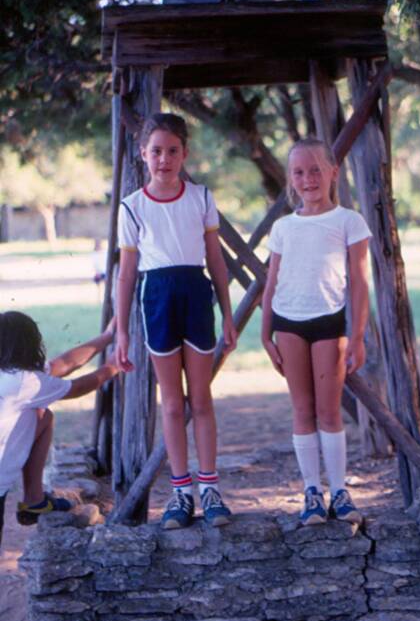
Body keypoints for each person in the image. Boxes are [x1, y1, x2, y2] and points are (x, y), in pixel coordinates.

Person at [116, 112, 237, 530]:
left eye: (172, 151)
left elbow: (216, 260)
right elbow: (127, 273)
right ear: (143, 155)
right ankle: (180, 493)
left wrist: (228, 312)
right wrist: (121, 332)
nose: (164, 159)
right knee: (171, 402)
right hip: (158, 299)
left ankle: (210, 489)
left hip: (196, 295)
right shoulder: (131, 208)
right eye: (156, 152)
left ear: (184, 154)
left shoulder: (201, 197)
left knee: (200, 399)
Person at [261, 136, 371, 526]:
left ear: (332, 173)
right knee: (302, 410)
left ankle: (339, 491)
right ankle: (311, 492)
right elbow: (270, 284)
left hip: (329, 323)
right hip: (288, 325)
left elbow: (359, 283)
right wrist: (264, 335)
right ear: (291, 179)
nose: (307, 179)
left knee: (328, 410)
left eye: (315, 170)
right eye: (298, 172)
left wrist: (356, 336)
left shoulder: (348, 222)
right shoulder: (284, 228)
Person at [0, 312, 122, 546]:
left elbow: (62, 364)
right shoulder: (25, 382)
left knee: (43, 416)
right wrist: (113, 367)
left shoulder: (14, 378)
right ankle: (33, 500)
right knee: (43, 414)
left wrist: (106, 337)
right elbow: (77, 387)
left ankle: (34, 501)